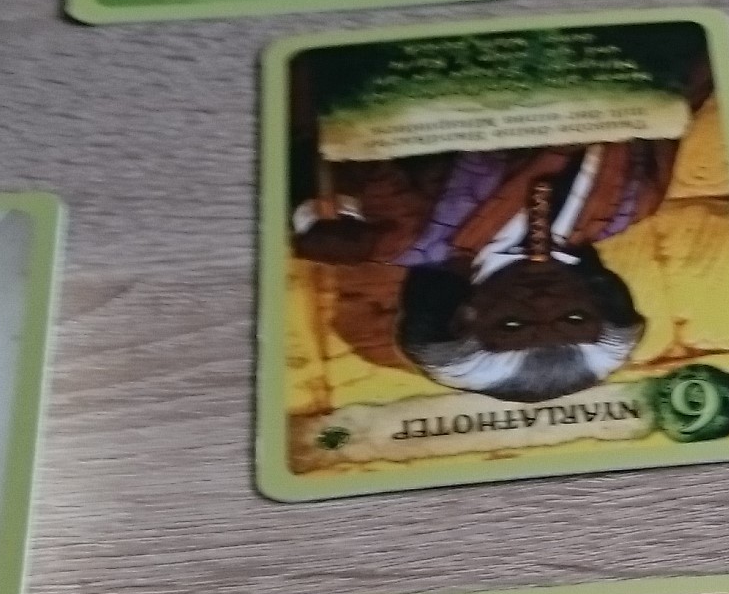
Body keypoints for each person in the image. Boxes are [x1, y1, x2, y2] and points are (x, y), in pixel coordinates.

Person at [289, 131, 685, 405]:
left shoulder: (405, 236)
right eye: (574, 317)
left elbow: (341, 135)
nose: (543, 301)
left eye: (512, 324)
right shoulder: (633, 204)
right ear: (601, 303)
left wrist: (317, 216)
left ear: (464, 319)